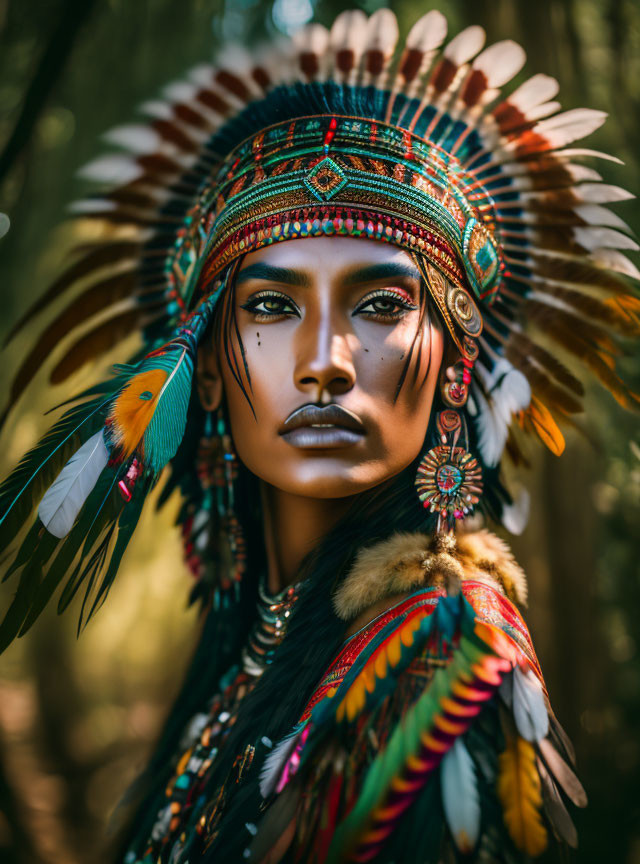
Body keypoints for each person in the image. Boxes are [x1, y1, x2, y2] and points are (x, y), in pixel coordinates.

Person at [0, 7, 636, 863]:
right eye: (270, 306)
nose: (326, 364)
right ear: (210, 371)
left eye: (382, 306)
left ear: (456, 363)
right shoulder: (240, 657)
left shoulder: (440, 647)